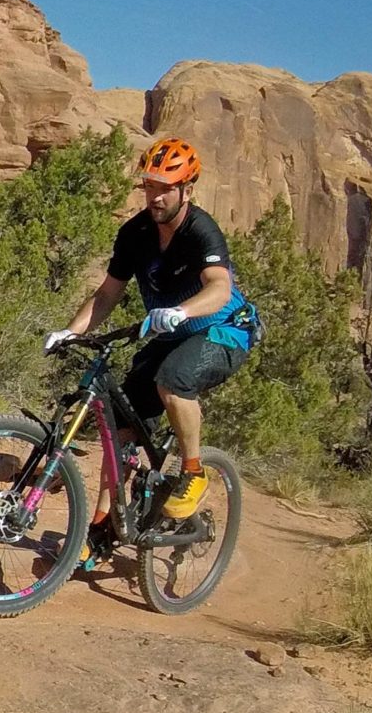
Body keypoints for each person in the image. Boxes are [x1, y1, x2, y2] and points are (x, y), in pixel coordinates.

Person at [46, 137, 256, 526]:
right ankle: (103, 529)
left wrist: (181, 310)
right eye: (149, 187)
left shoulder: (200, 230)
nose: (155, 197)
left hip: (225, 329)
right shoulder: (134, 234)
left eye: (164, 189)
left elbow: (218, 288)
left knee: (173, 380)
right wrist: (69, 332)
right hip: (174, 332)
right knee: (119, 429)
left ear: (186, 190)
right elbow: (108, 293)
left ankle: (193, 472)